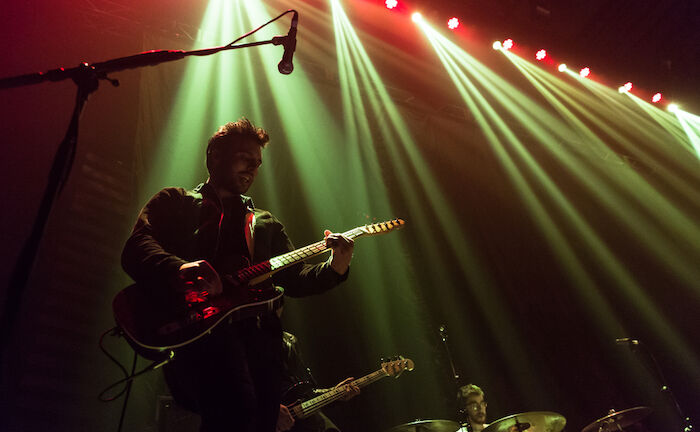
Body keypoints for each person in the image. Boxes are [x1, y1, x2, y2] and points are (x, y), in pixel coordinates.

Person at [121, 118, 354, 432]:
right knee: (234, 411)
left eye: (258, 163)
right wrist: (178, 268)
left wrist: (337, 263)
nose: (253, 169)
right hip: (198, 335)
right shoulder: (175, 202)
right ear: (216, 155)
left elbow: (296, 278)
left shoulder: (265, 223)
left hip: (261, 351)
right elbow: (137, 245)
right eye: (246, 159)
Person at [275, 332, 360, 432]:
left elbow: (305, 394)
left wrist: (335, 392)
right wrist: (269, 409)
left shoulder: (289, 339)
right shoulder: (254, 337)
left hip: (302, 421)